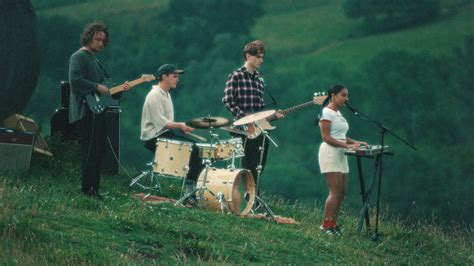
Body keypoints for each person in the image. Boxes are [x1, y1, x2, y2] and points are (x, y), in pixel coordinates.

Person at [68, 21, 129, 198]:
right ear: (88, 38)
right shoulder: (78, 57)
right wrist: (97, 87)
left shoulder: (95, 60)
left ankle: (94, 189)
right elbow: (75, 81)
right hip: (86, 111)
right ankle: (87, 190)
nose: (101, 44)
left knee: (98, 150)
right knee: (89, 151)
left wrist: (118, 91)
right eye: (97, 39)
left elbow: (107, 88)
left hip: (97, 110)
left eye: (103, 41)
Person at [222, 40, 283, 195]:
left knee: (259, 165)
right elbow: (228, 101)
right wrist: (245, 120)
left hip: (259, 128)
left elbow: (259, 109)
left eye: (262, 57)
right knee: (248, 163)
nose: (261, 60)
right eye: (258, 57)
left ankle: (254, 197)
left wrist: (273, 116)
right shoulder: (235, 76)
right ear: (248, 56)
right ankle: (248, 197)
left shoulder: (259, 79)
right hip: (242, 128)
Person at [140, 64, 204, 196]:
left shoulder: (165, 94)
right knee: (194, 150)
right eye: (174, 76)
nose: (177, 79)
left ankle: (193, 190)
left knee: (197, 150)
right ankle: (189, 192)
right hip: (153, 138)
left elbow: (166, 123)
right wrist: (180, 125)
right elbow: (161, 123)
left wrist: (180, 128)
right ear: (164, 76)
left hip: (164, 133)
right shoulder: (155, 95)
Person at [317, 84, 367, 235]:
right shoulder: (326, 112)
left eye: (347, 95)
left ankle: (333, 224)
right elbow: (326, 137)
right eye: (343, 95)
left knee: (342, 192)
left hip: (341, 152)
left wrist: (355, 143)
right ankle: (326, 226)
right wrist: (347, 146)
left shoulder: (338, 113)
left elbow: (340, 135)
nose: (347, 98)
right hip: (330, 153)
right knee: (335, 191)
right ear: (333, 95)